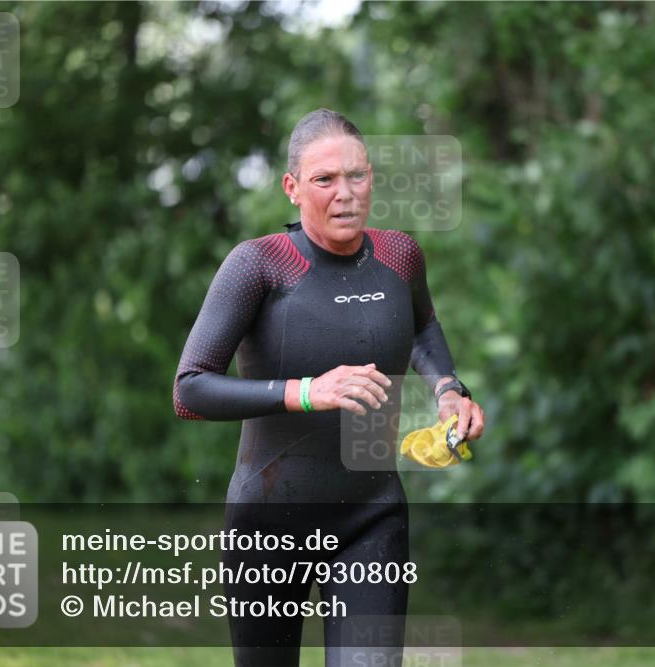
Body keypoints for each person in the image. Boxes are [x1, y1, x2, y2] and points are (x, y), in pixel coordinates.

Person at [173, 108, 484, 667]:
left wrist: (448, 392)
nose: (346, 193)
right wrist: (306, 392)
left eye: (357, 175)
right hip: (268, 520)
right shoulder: (260, 265)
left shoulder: (399, 256)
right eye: (325, 180)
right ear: (292, 188)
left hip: (371, 516)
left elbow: (421, 328)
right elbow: (190, 389)